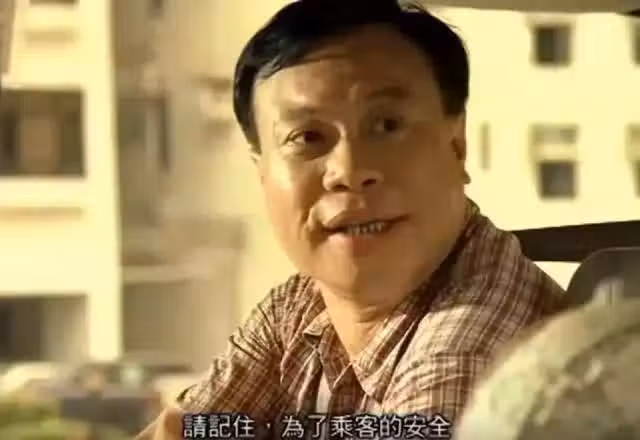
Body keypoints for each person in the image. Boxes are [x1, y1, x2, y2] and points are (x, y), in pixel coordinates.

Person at [137, 0, 566, 438]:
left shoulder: (473, 351)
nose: (349, 170)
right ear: (262, 173)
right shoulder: (301, 306)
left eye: (387, 125)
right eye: (307, 137)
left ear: (456, 145)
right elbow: (179, 431)